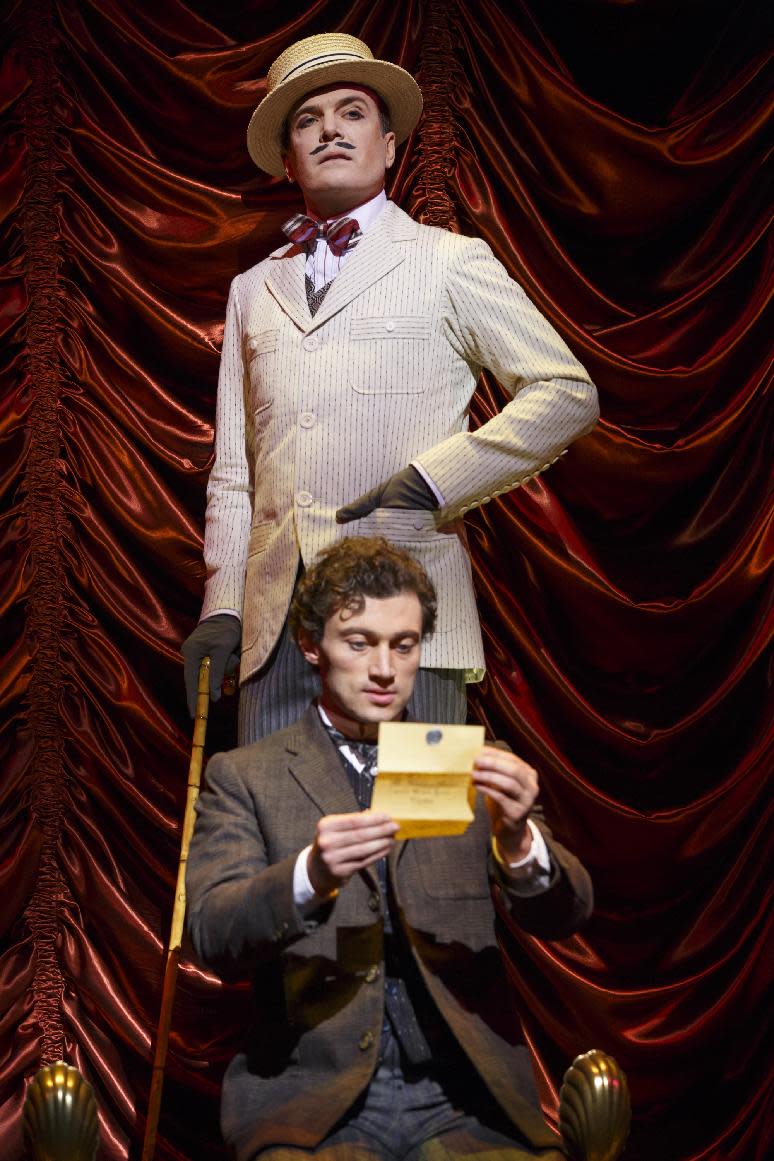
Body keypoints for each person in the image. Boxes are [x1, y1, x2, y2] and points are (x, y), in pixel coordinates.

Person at [181, 33, 600, 744]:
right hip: (278, 634)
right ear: (289, 156)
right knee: (282, 843)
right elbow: (233, 473)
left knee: (421, 846)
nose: (331, 129)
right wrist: (223, 604)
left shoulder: (448, 262)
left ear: (391, 143)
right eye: (308, 120)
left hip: (412, 620)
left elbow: (565, 389)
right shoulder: (251, 290)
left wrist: (435, 481)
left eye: (352, 112)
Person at [186, 537, 593, 1161]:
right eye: (360, 643)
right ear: (311, 645)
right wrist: (310, 874)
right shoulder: (245, 777)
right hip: (314, 1110)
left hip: (467, 1102)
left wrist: (518, 840)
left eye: (403, 646)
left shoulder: (467, 765)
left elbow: (565, 914)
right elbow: (213, 934)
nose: (384, 669)